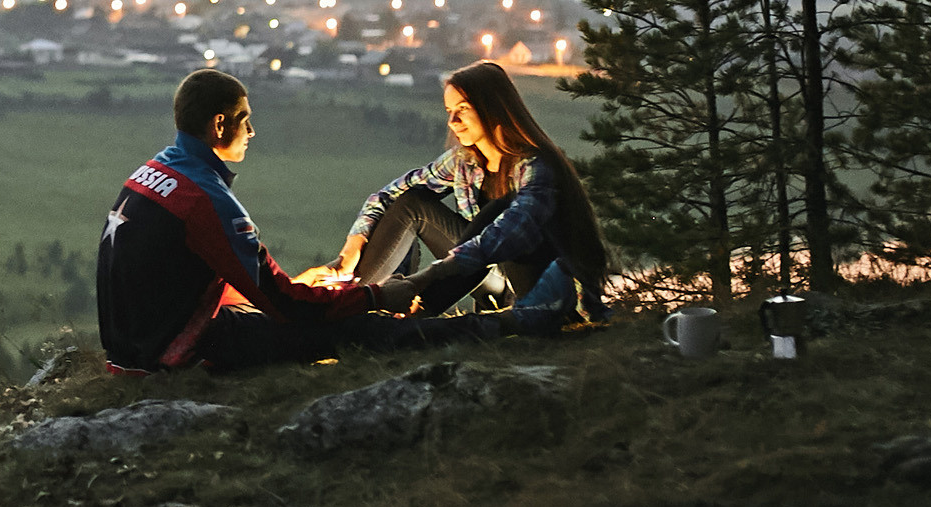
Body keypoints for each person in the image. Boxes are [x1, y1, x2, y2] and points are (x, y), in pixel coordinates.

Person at [98, 68, 425, 373]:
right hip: (174, 354)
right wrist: (376, 297)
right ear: (219, 124)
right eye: (245, 119)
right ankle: (450, 333)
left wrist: (294, 285)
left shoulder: (152, 171)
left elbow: (176, 279)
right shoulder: (205, 198)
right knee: (344, 327)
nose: (251, 132)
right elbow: (286, 306)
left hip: (130, 351)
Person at [326, 60, 612, 337]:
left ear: (492, 108)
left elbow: (513, 232)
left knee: (496, 212)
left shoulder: (535, 166)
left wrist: (425, 278)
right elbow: (388, 195)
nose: (453, 122)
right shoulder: (464, 162)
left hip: (542, 289)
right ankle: (354, 304)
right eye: (449, 111)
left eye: (462, 109)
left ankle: (409, 315)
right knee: (412, 204)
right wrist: (351, 250)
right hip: (487, 276)